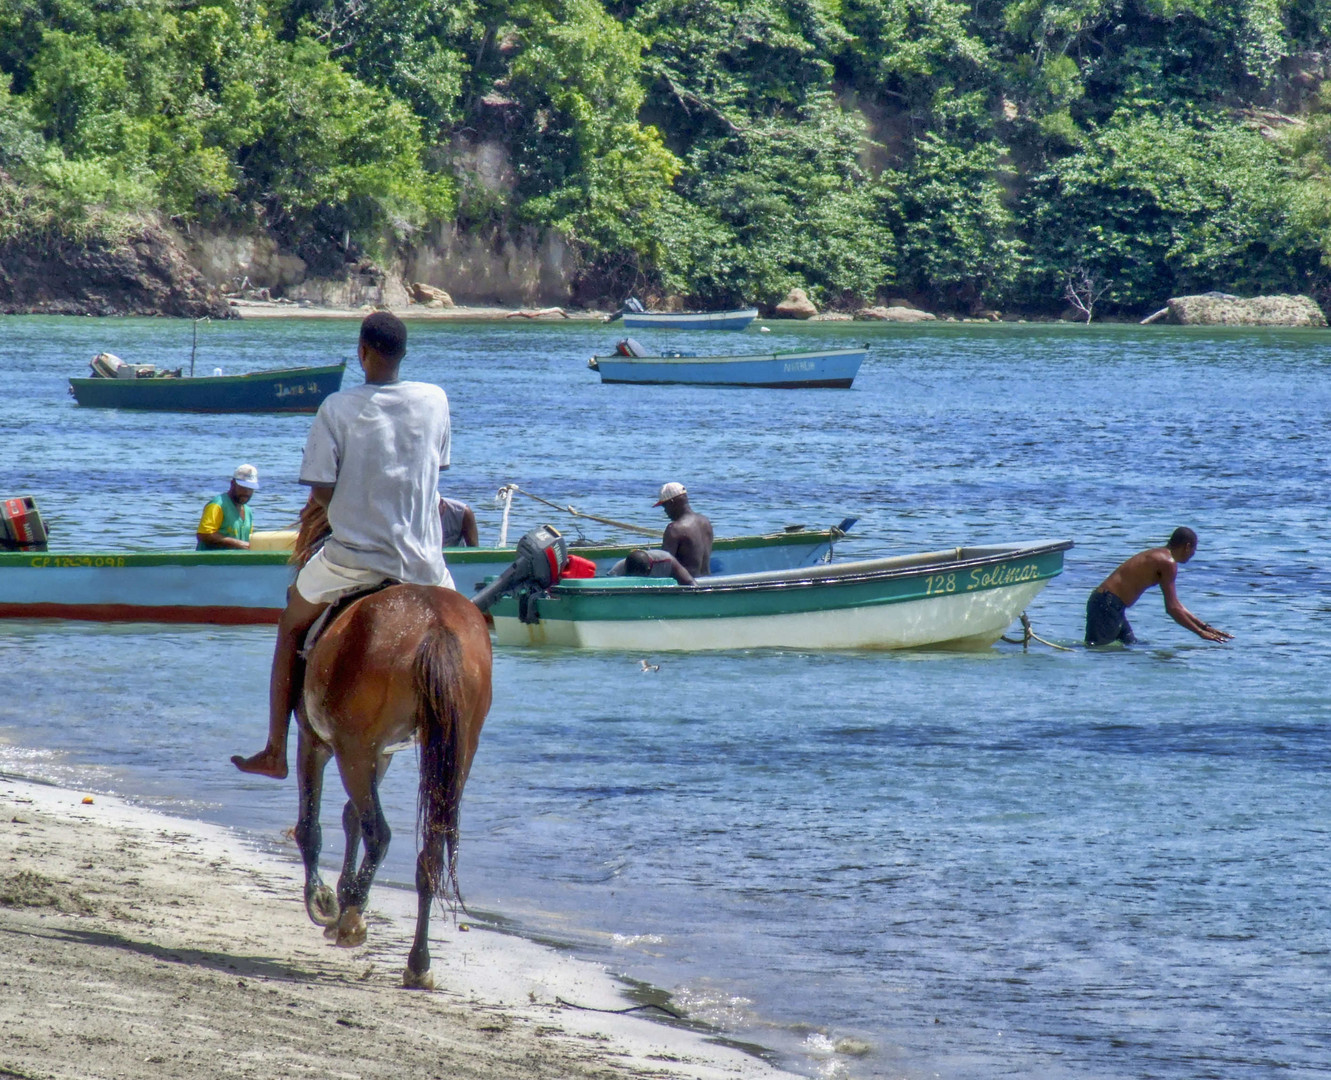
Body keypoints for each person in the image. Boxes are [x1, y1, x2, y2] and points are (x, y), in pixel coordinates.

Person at [231, 312, 454, 779]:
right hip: (425, 566)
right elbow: (429, 475)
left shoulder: (337, 407)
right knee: (460, 632)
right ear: (404, 355)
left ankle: (274, 750)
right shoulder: (435, 400)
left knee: (292, 620)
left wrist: (355, 510)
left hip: (352, 560)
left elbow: (320, 490)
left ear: (362, 352)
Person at [1085, 527, 1232, 646]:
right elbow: (1172, 608)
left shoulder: (1162, 556)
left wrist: (1205, 627)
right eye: (1194, 549)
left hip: (1109, 604)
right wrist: (1201, 634)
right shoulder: (1168, 562)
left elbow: (1177, 606)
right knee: (1096, 650)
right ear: (1187, 547)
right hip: (1107, 605)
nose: (1193, 554)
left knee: (1131, 646)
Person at [654, 482, 713, 578]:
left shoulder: (674, 529)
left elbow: (664, 567)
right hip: (707, 580)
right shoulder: (705, 522)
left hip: (686, 584)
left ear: (672, 503)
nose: (665, 511)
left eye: (665, 506)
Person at [196, 465, 259, 550]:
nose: (246, 492)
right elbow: (204, 535)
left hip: (237, 562)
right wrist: (236, 543)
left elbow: (248, 541)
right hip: (211, 562)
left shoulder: (248, 511)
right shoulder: (218, 505)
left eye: (250, 488)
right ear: (233, 484)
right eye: (243, 487)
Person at [609, 547, 696, 585]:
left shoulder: (667, 560)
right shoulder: (617, 571)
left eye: (641, 577)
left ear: (649, 569)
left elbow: (689, 581)